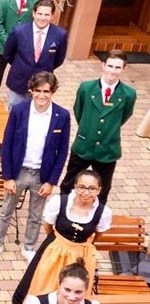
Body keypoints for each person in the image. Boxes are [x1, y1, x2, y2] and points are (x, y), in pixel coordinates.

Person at [0, 72, 70, 264]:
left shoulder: (62, 115)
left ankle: (29, 248)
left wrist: (51, 181)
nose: (41, 95)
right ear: (31, 91)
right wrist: (8, 177)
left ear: (52, 92)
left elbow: (62, 152)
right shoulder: (19, 111)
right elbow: (8, 143)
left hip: (42, 176)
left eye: (46, 91)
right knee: (5, 211)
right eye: (37, 90)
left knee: (36, 215)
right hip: (18, 172)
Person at [12, 169, 111, 304]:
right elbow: (48, 226)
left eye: (92, 188)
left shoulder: (103, 212)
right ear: (75, 187)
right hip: (55, 250)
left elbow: (98, 234)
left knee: (74, 290)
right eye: (82, 187)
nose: (86, 192)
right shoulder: (60, 202)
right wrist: (60, 242)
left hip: (81, 256)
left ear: (99, 190)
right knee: (44, 284)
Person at [59, 50, 136, 204]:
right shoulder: (86, 88)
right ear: (103, 65)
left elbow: (124, 116)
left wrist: (108, 130)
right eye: (110, 66)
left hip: (107, 149)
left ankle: (94, 220)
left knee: (103, 189)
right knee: (69, 184)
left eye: (117, 67)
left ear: (123, 69)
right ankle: (63, 214)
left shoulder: (128, 94)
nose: (112, 71)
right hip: (84, 144)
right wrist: (89, 128)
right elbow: (79, 111)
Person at [3, 0, 67, 108]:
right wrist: (21, 66)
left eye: (46, 15)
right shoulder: (19, 31)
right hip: (19, 82)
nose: (42, 18)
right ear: (33, 13)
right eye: (39, 13)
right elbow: (8, 54)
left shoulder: (60, 34)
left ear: (52, 16)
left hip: (42, 87)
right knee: (14, 114)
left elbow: (58, 60)